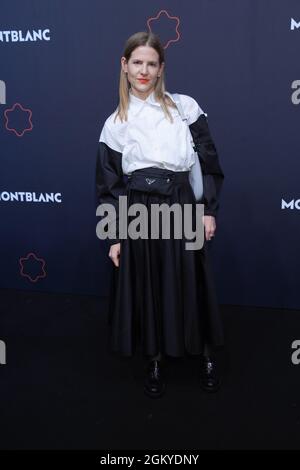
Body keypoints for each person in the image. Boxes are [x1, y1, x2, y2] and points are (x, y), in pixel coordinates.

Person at [96, 31, 224, 398]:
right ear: (124, 65)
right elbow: (109, 185)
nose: (144, 70)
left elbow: (208, 162)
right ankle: (153, 358)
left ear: (161, 68)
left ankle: (205, 355)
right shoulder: (114, 123)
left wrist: (207, 211)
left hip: (183, 201)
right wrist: (115, 235)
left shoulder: (185, 107)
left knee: (191, 280)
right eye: (137, 62)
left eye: (151, 63)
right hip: (138, 208)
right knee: (148, 283)